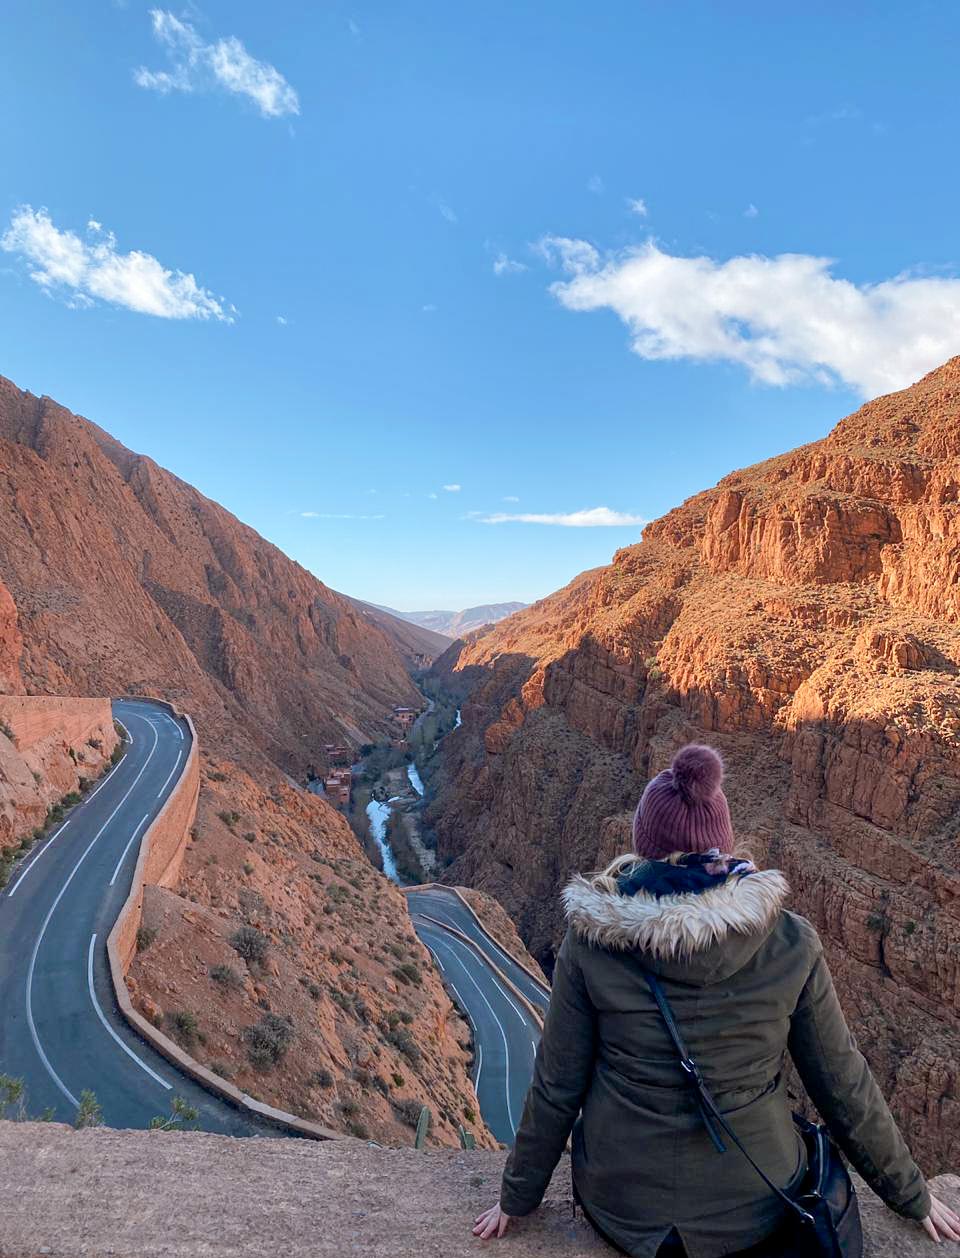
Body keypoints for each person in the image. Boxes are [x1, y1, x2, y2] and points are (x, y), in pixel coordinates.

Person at [473, 744, 959, 1255]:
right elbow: (842, 1084)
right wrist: (911, 1194)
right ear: (722, 844)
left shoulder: (592, 944)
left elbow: (557, 1084)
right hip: (756, 1206)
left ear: (643, 843)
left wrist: (517, 1198)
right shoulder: (790, 942)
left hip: (624, 1205)